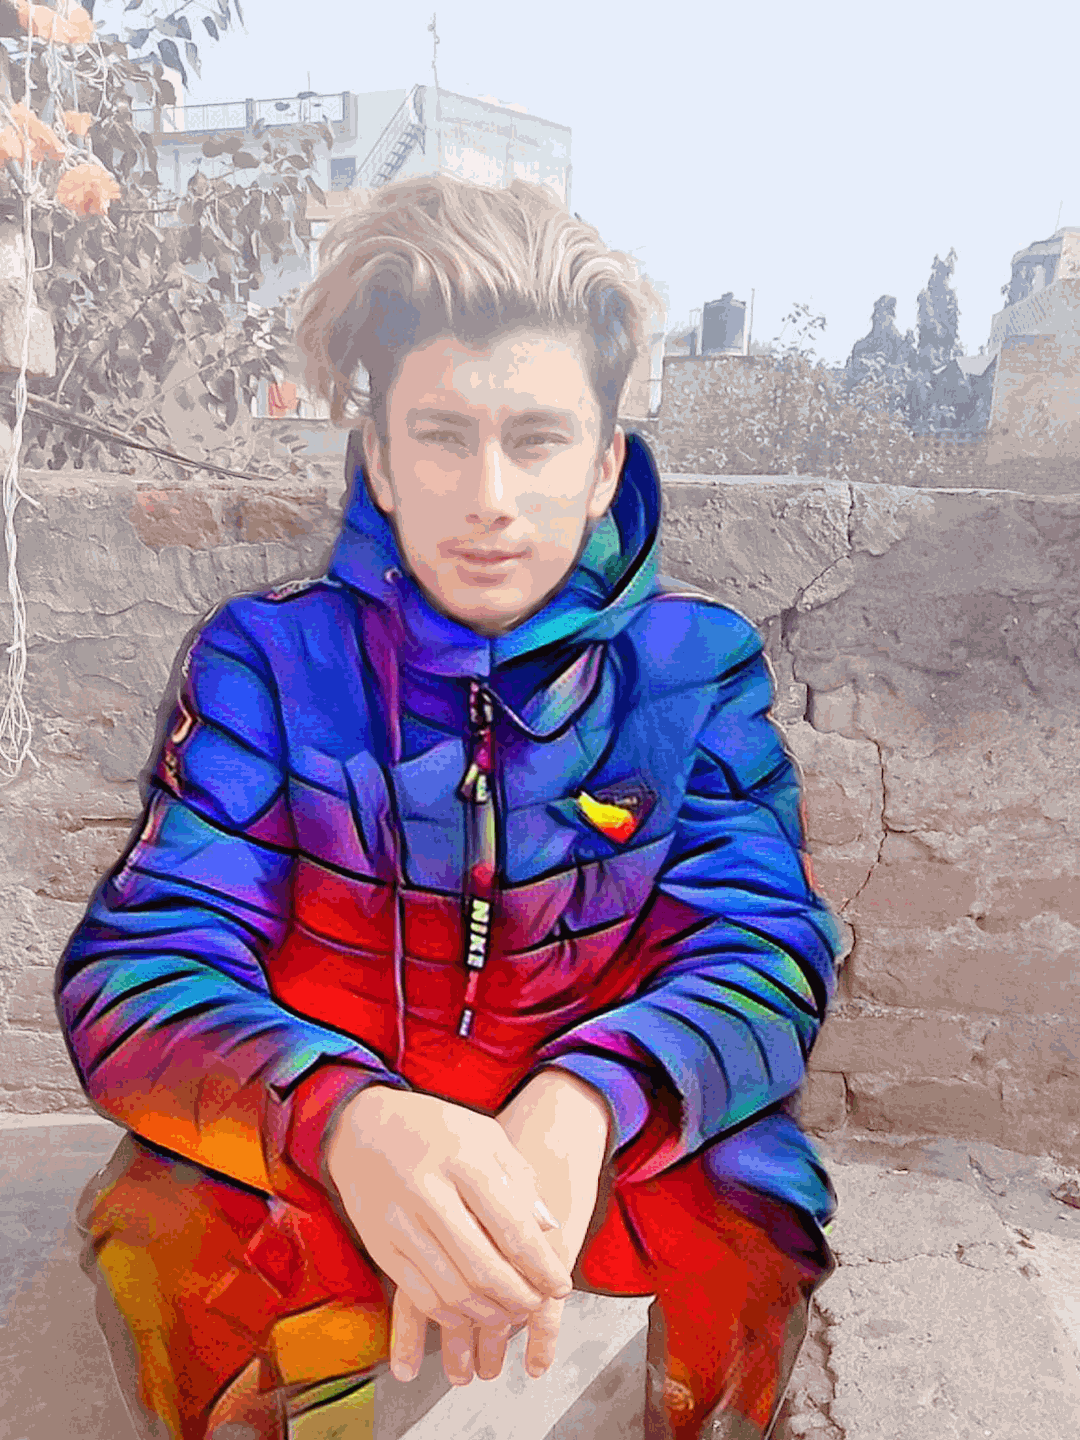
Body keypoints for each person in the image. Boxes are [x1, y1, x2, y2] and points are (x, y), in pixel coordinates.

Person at [58, 174, 842, 1440]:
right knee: (163, 1234)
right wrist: (348, 1122)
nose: (489, 496)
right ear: (378, 457)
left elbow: (762, 950)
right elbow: (143, 967)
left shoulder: (694, 669)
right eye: (440, 437)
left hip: (599, 1155)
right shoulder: (270, 664)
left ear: (603, 466)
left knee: (753, 1217)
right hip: (318, 1138)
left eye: (536, 440)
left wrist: (590, 1100)